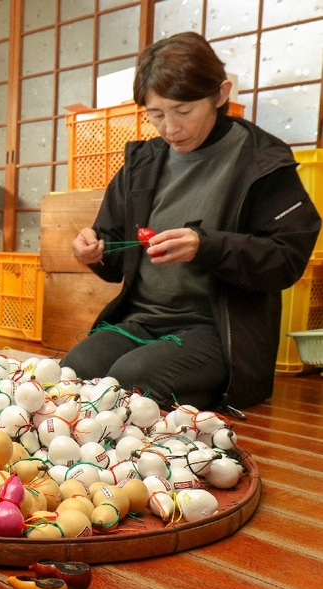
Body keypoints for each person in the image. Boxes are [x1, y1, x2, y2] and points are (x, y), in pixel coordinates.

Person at [61, 32, 321, 414]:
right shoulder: (142, 164)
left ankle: (215, 393)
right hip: (142, 321)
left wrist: (207, 246)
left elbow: (286, 259)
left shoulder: (262, 162)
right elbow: (114, 249)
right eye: (156, 114)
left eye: (183, 112)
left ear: (220, 94)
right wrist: (93, 250)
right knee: (73, 372)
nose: (170, 128)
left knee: (132, 382)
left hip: (217, 331)